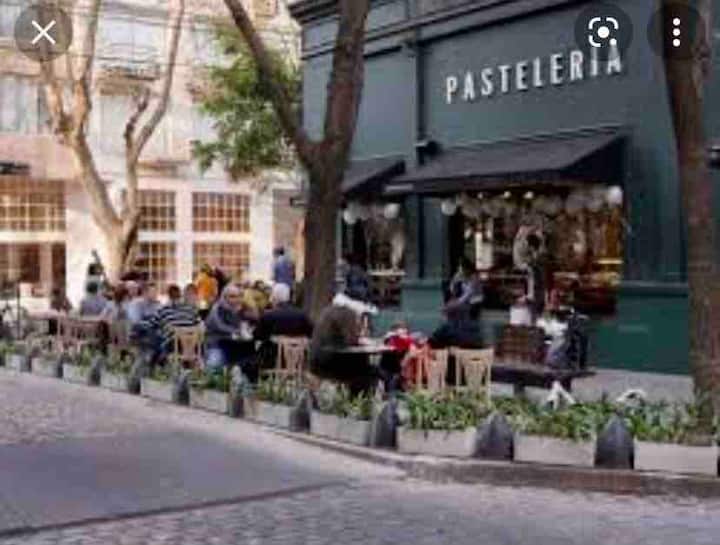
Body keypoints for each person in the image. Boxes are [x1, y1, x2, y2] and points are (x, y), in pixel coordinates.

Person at [309, 293, 380, 396]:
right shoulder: (347, 314)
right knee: (367, 369)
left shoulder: (327, 312)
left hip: (317, 361)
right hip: (331, 364)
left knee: (364, 365)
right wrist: (361, 341)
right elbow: (350, 339)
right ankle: (358, 398)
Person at [139, 284, 202, 366]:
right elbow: (199, 324)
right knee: (190, 335)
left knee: (166, 338)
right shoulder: (191, 310)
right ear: (180, 295)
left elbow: (152, 324)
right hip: (194, 344)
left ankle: (185, 357)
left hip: (174, 345)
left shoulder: (164, 310)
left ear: (169, 296)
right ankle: (188, 356)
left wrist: (140, 324)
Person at [205, 284, 257, 373]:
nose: (236, 299)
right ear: (224, 297)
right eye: (232, 296)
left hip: (238, 345)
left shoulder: (241, 308)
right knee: (214, 367)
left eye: (238, 296)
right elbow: (220, 326)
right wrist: (239, 331)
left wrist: (248, 315)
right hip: (218, 343)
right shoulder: (217, 309)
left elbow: (252, 322)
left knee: (250, 362)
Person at [526, 233, 547, 322]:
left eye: (527, 244)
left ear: (531, 245)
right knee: (533, 312)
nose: (527, 246)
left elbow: (540, 274)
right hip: (533, 287)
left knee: (536, 312)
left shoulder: (538, 257)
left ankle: (536, 324)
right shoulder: (534, 256)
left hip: (536, 288)